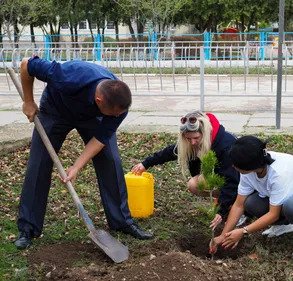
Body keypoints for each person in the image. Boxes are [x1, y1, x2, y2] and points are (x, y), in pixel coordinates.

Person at [14, 56, 153, 250]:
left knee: (110, 160)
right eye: (114, 115)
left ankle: (122, 221)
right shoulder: (67, 76)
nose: (117, 117)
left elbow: (100, 140)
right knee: (39, 163)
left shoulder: (119, 105)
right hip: (56, 110)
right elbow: (26, 64)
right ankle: (28, 228)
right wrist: (28, 101)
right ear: (99, 100)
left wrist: (76, 167)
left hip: (91, 117)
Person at [209, 136, 293, 258]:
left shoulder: (279, 173)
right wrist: (223, 236)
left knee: (292, 207)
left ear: (249, 166)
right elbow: (238, 204)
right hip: (292, 197)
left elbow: (273, 214)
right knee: (251, 203)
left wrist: (243, 231)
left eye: (235, 164)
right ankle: (285, 225)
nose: (232, 166)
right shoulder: (249, 170)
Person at [131, 111, 242, 229]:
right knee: (194, 185)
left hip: (240, 181)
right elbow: (169, 152)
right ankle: (226, 201)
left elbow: (232, 181)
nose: (192, 142)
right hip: (221, 178)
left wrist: (221, 210)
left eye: (196, 138)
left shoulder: (225, 145)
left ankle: (238, 207)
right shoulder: (191, 142)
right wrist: (145, 164)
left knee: (231, 192)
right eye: (188, 138)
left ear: (205, 132)